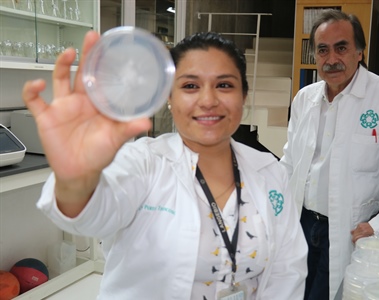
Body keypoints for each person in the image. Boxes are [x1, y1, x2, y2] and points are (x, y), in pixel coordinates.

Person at [23, 30, 308, 299]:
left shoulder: (270, 171)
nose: (208, 100)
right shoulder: (145, 162)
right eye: (190, 86)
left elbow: (288, 271)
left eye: (224, 85)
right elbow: (93, 214)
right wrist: (76, 178)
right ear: (169, 98)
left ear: (243, 96)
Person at [279, 9, 379, 300]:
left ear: (359, 52)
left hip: (349, 229)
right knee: (290, 291)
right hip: (301, 224)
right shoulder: (305, 99)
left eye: (341, 47)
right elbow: (290, 161)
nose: (331, 59)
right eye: (323, 50)